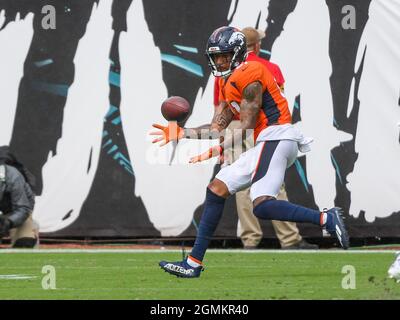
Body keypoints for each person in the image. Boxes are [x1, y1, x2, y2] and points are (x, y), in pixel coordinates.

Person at [152, 26, 349, 278]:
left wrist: (220, 147)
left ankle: (325, 219)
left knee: (262, 205)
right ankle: (193, 263)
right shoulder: (227, 81)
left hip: (277, 136)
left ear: (237, 53)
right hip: (266, 141)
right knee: (217, 189)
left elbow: (245, 124)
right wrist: (183, 132)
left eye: (224, 55)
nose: (219, 61)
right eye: (215, 57)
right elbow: (216, 127)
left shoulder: (250, 72)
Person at [224, 26, 317, 250]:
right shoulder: (270, 67)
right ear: (257, 45)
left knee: (240, 183)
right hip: (266, 128)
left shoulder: (228, 69)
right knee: (275, 183)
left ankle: (250, 239)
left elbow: (221, 107)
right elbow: (279, 102)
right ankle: (289, 239)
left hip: (237, 125)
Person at [0, 146, 38, 248]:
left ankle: (32, 228)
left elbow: (23, 208)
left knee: (25, 242)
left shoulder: (13, 175)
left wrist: (9, 222)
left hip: (18, 212)